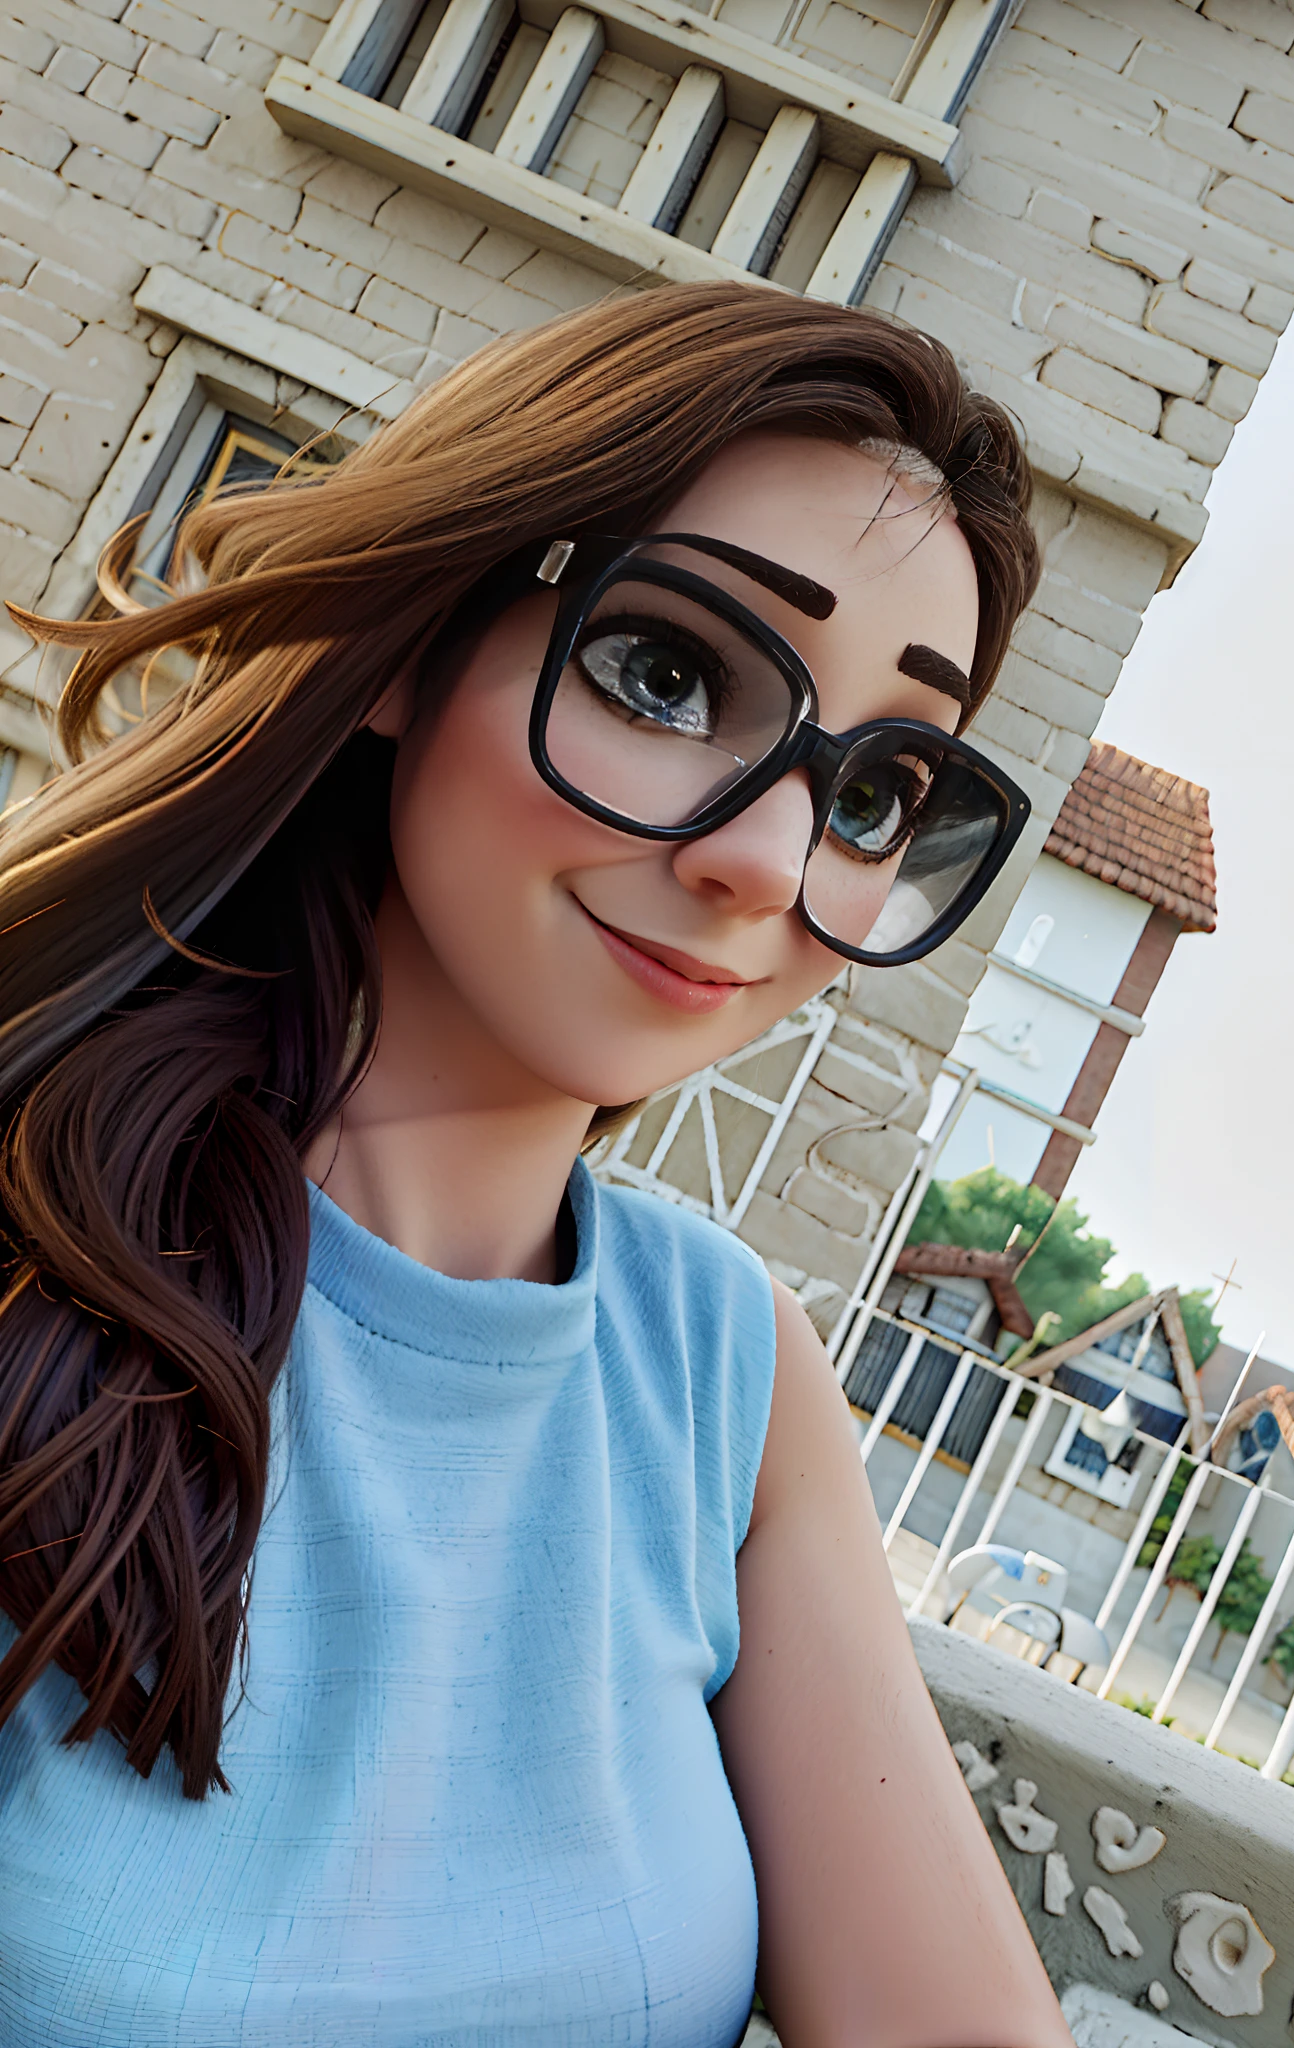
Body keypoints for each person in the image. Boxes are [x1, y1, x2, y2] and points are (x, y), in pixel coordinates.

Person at [0, 281, 1075, 2047]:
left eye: (875, 793)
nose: (768, 857)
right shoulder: (36, 1224)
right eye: (671, 675)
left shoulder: (725, 1375)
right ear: (414, 650)